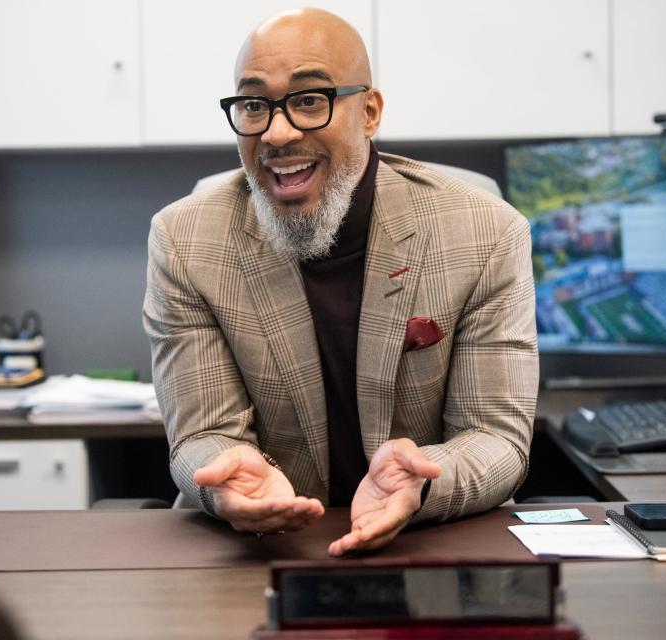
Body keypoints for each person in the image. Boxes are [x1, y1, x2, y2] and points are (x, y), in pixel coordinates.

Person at [143, 8, 538, 556]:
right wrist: (224, 473)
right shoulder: (185, 241)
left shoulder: (484, 232)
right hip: (258, 551)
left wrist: (423, 482)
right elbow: (201, 432)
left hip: (430, 543)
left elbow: (496, 437)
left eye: (309, 100)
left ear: (369, 111)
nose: (277, 132)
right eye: (255, 105)